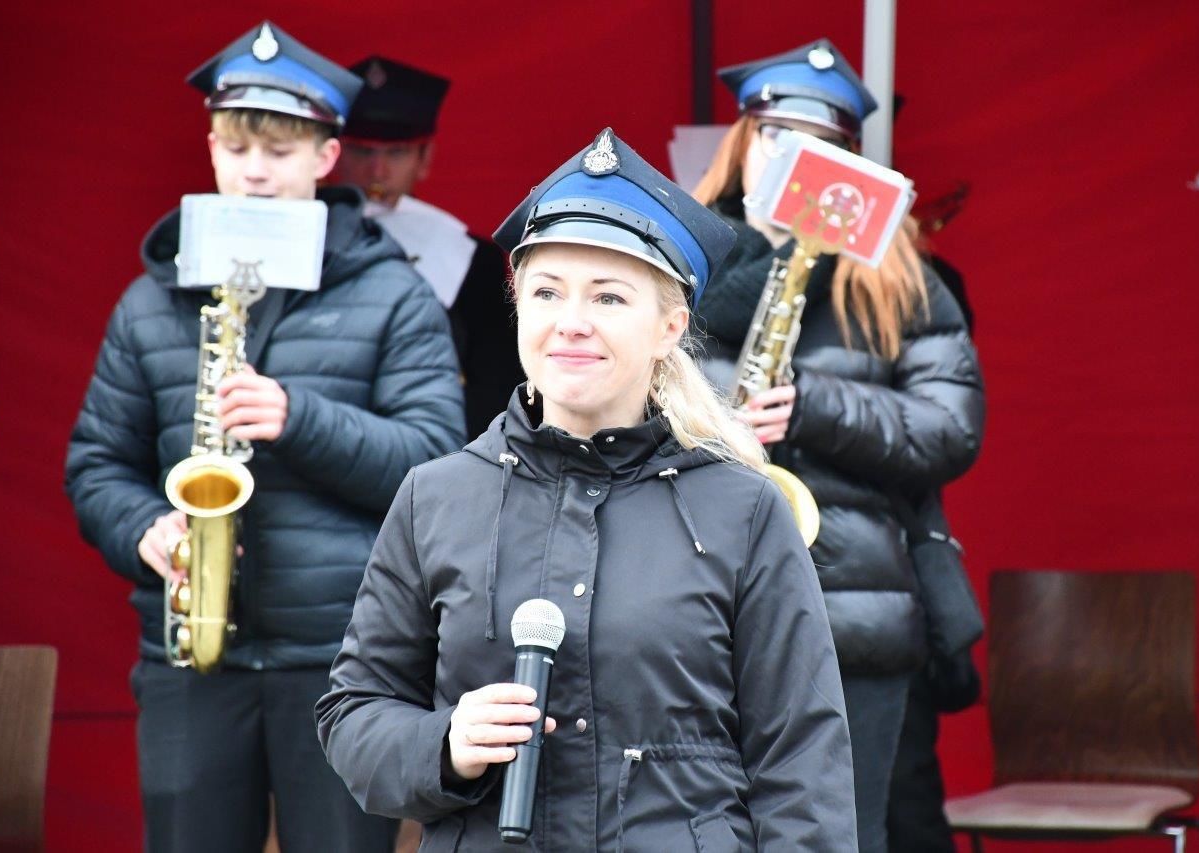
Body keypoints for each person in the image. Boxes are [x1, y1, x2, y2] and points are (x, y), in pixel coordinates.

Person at [317, 128, 858, 851]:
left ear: (671, 326)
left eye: (608, 297)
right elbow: (354, 714)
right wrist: (445, 742)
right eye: (546, 291)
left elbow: (803, 762)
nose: (571, 323)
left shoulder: (746, 510)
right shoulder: (433, 498)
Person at [64, 21, 464, 852]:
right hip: (191, 659)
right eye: (236, 145)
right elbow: (96, 463)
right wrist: (147, 531)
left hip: (345, 662)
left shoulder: (395, 296)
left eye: (280, 150)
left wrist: (298, 417)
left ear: (325, 157)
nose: (253, 169)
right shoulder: (151, 301)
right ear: (211, 148)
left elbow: (436, 464)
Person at [690, 40, 985, 853]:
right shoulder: (682, 261)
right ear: (743, 143)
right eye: (774, 135)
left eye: (818, 144)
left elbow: (952, 427)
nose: (792, 158)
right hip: (703, 599)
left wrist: (814, 405)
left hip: (856, 610)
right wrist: (720, 416)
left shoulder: (901, 280)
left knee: (846, 832)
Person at [335, 56, 524, 436]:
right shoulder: (297, 241)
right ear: (332, 153)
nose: (378, 172)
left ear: (424, 158)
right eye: (362, 152)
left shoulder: (472, 258)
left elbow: (497, 385)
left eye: (396, 153)